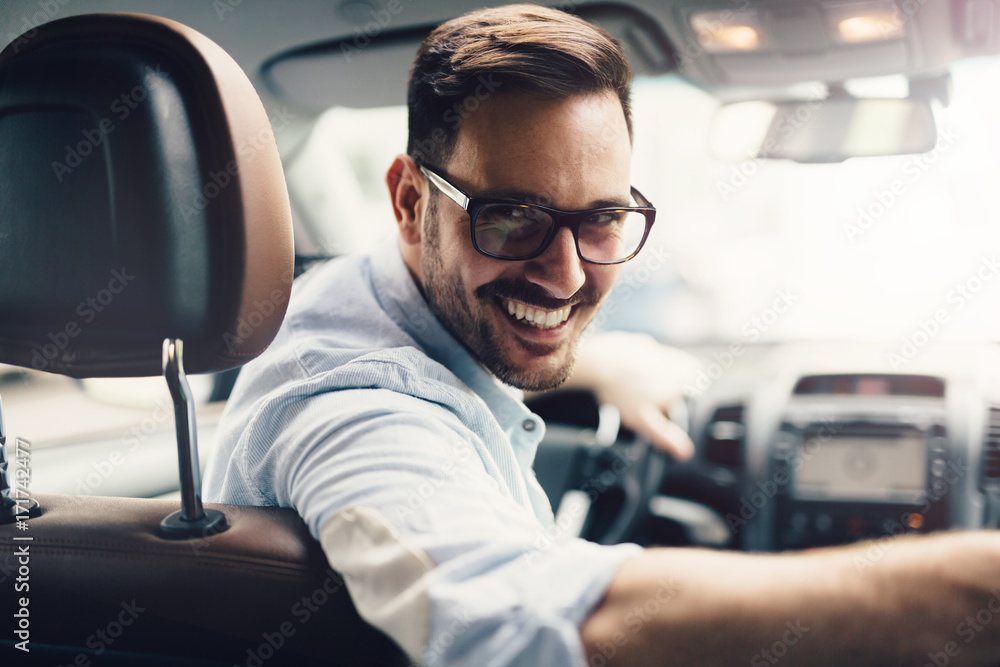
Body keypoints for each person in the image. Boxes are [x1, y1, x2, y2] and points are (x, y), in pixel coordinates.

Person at [204, 5, 1000, 666]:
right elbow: (525, 629)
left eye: (604, 219)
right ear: (411, 202)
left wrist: (595, 363)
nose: (568, 276)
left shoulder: (353, 307)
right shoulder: (350, 410)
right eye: (512, 218)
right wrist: (974, 589)